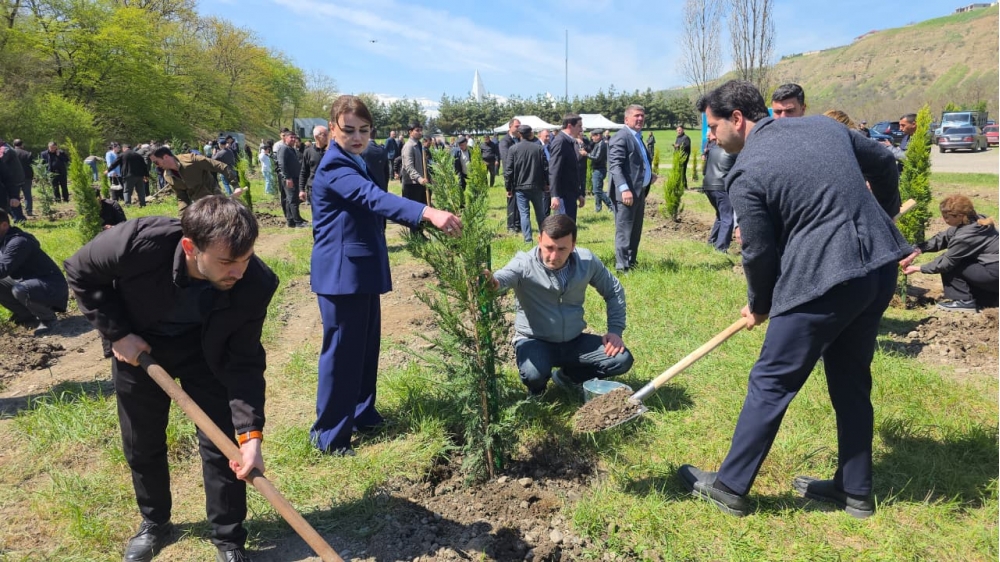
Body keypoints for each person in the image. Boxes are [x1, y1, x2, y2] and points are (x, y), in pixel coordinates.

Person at [678, 80, 911, 519]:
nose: (711, 136)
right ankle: (855, 490)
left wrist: (760, 304)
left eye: (712, 126)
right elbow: (884, 161)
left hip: (824, 280)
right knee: (851, 379)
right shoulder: (826, 127)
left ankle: (730, 487)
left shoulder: (746, 172)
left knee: (772, 380)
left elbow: (758, 251)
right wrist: (886, 212)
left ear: (737, 119)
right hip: (878, 270)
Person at [64, 196, 277, 562]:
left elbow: (244, 361)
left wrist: (251, 435)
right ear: (191, 247)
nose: (239, 272)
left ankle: (228, 538)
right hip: (140, 347)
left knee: (221, 442)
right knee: (141, 440)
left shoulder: (255, 283)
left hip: (206, 353)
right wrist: (117, 333)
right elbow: (80, 271)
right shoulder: (138, 242)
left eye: (246, 259)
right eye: (227, 262)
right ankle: (155, 521)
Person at [309, 95, 462, 456]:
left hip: (359, 270)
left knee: (364, 348)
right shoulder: (335, 166)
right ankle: (329, 435)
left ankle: (362, 413)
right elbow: (373, 198)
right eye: (349, 130)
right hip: (341, 275)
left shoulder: (355, 159)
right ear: (332, 128)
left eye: (364, 130)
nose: (357, 137)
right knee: (342, 354)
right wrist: (427, 212)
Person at [486, 214, 634, 396]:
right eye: (548, 247)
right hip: (534, 340)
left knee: (621, 359)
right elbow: (502, 279)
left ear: (573, 245)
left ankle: (568, 377)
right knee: (533, 374)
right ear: (539, 240)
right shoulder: (523, 264)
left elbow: (613, 290)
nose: (554, 256)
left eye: (562, 249)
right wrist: (493, 283)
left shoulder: (587, 262)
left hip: (573, 340)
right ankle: (537, 390)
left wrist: (615, 331)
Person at [900, 195, 998, 311]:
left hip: (994, 274)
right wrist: (917, 251)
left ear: (960, 216)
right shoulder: (976, 220)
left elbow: (945, 264)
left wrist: (918, 268)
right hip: (994, 273)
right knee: (963, 261)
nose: (944, 220)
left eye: (946, 217)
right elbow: (943, 238)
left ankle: (964, 301)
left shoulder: (966, 236)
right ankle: (989, 298)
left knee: (952, 263)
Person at [0, 209, 68, 335]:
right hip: (30, 284)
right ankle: (26, 315)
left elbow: (2, 270)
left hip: (52, 287)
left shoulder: (18, 242)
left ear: (4, 225)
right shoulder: (3, 240)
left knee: (21, 289)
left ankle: (48, 319)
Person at [609, 104, 656, 272]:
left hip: (639, 192)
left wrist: (649, 175)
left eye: (642, 116)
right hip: (627, 194)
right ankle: (622, 267)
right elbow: (615, 166)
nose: (640, 118)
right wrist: (624, 189)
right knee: (624, 230)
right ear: (626, 119)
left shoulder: (637, 137)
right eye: (636, 115)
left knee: (635, 230)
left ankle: (631, 262)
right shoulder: (621, 137)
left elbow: (637, 163)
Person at [150, 147, 240, 213]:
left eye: (156, 162)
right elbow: (182, 198)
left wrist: (235, 185)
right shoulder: (168, 176)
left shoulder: (191, 160)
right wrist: (182, 217)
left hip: (216, 199)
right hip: (200, 206)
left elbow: (221, 166)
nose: (156, 166)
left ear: (165, 157)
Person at [504, 125, 548, 243]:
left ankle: (528, 239)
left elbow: (508, 170)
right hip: (536, 185)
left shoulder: (513, 149)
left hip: (520, 186)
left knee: (524, 214)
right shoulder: (539, 148)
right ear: (530, 134)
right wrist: (547, 183)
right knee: (540, 213)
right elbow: (545, 168)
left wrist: (508, 187)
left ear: (519, 134)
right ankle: (544, 236)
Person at [701, 131, 737, 252]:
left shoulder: (713, 150)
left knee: (720, 215)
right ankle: (721, 248)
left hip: (708, 186)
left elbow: (705, 169)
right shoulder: (733, 151)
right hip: (721, 186)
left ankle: (712, 242)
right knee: (728, 218)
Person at [548, 114, 585, 221]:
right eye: (579, 126)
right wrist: (555, 195)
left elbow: (571, 171)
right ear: (569, 126)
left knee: (569, 225)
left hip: (570, 194)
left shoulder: (569, 141)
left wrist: (578, 194)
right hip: (563, 196)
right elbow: (554, 170)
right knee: (564, 226)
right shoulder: (560, 142)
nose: (581, 130)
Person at [400, 121, 430, 235]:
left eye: (420, 130)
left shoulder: (419, 146)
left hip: (420, 184)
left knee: (422, 210)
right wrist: (419, 179)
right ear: (410, 132)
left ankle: (420, 233)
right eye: (417, 130)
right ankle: (415, 236)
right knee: (414, 212)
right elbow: (409, 167)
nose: (420, 132)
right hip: (412, 184)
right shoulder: (408, 147)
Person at [275, 133, 306, 228]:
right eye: (291, 137)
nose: (293, 139)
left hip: (294, 177)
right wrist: (287, 178)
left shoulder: (291, 149)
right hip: (289, 178)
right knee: (293, 199)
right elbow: (281, 164)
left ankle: (291, 220)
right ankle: (297, 222)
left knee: (290, 200)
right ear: (285, 138)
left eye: (294, 137)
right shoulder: (283, 148)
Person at [498, 119, 522, 233]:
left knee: (519, 200)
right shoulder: (505, 141)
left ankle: (517, 224)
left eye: (519, 126)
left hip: (520, 174)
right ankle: (511, 225)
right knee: (512, 200)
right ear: (510, 127)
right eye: (516, 126)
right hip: (511, 174)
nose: (519, 128)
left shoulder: (519, 139)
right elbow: (507, 159)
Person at [300, 125, 329, 209]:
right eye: (324, 135)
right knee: (316, 212)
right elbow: (304, 171)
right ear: (316, 136)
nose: (327, 137)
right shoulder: (308, 152)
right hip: (314, 189)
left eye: (328, 134)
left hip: (330, 188)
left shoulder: (331, 151)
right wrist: (301, 190)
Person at [587, 129, 613, 212]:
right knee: (598, 189)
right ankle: (598, 208)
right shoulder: (598, 143)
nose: (592, 138)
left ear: (598, 136)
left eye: (593, 136)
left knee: (596, 190)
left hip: (599, 169)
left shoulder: (602, 144)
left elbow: (597, 158)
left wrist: (586, 155)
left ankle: (611, 205)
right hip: (598, 169)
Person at [0, 138, 26, 221]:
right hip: (12, 180)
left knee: (11, 201)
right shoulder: (6, 148)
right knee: (10, 201)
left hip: (11, 181)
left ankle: (18, 219)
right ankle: (18, 218)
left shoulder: (4, 150)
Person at [12, 139, 34, 216]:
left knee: (15, 195)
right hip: (26, 177)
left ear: (14, 145)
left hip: (14, 178)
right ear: (22, 145)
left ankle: (16, 211)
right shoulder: (27, 154)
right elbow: (32, 165)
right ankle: (29, 211)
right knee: (27, 194)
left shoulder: (10, 153)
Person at [673, 126, 692, 190]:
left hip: (683, 157)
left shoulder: (686, 138)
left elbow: (686, 146)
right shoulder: (678, 138)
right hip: (677, 157)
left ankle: (684, 186)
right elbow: (676, 146)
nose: (678, 131)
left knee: (682, 171)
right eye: (677, 130)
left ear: (683, 130)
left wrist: (679, 146)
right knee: (678, 171)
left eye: (680, 130)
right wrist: (675, 147)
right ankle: (678, 185)